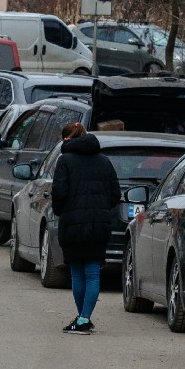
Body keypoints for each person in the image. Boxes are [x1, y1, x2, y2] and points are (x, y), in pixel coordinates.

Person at [51, 122, 120, 334]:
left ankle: (82, 319)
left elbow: (59, 192)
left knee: (77, 273)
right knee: (92, 273)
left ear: (68, 139)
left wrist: (61, 210)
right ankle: (83, 318)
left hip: (72, 224)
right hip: (99, 226)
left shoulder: (65, 161)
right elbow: (115, 195)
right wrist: (100, 210)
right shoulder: (104, 161)